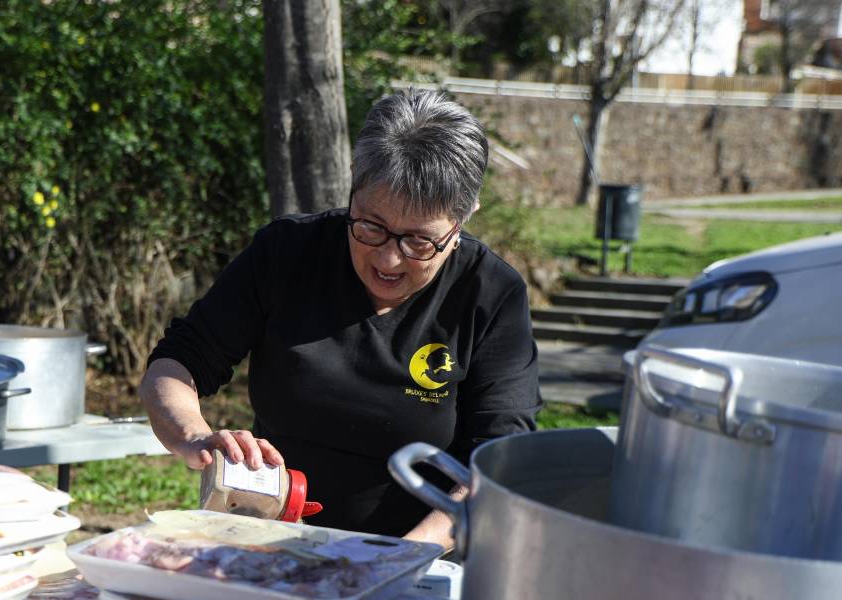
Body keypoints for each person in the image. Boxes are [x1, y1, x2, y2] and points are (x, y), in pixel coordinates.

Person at [140, 89, 541, 548]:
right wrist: (193, 437)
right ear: (352, 186)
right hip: (270, 540)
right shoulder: (288, 253)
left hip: (422, 557)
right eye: (370, 226)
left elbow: (498, 460)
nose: (388, 259)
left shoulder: (490, 295)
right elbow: (178, 362)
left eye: (419, 241)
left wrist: (403, 559)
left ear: (463, 220)